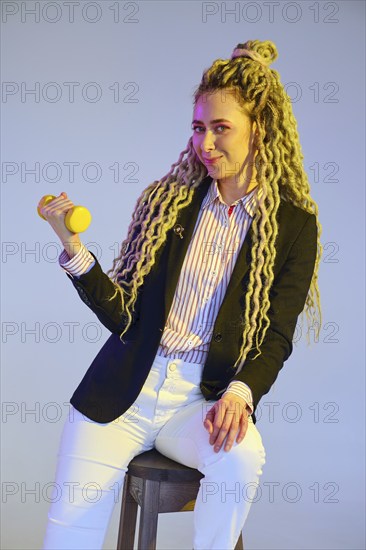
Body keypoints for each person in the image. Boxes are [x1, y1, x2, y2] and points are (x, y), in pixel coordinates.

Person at [40, 39, 322, 550]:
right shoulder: (167, 204)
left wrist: (241, 393)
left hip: (199, 402)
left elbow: (278, 334)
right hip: (122, 392)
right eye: (198, 127)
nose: (206, 144)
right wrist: (73, 246)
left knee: (241, 459)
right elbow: (125, 317)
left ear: (261, 128)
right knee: (69, 536)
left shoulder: (294, 226)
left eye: (221, 128)